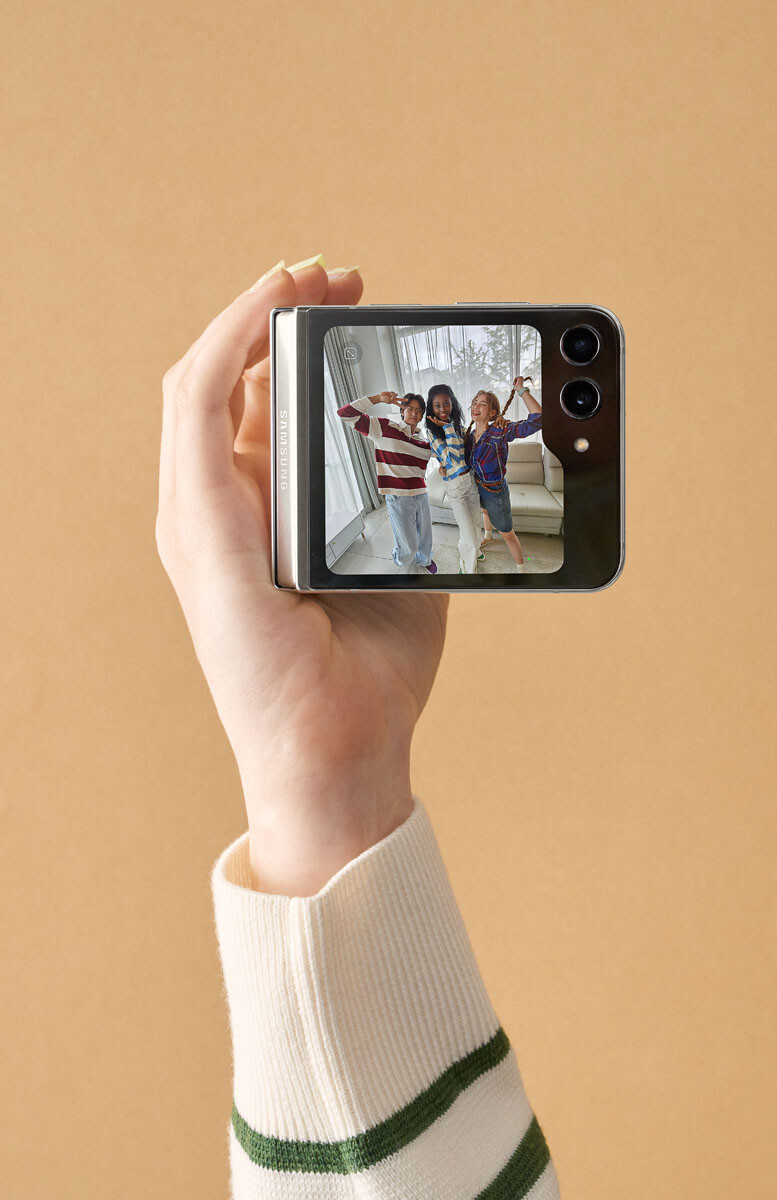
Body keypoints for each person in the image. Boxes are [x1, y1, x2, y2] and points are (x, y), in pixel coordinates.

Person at [155, 257, 561, 1199]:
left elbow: (504, 421)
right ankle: (473, 546)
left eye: (442, 405)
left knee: (465, 528)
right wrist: (316, 785)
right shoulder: (407, 424)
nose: (438, 408)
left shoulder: (462, 429)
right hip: (426, 500)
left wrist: (319, 788)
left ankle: (486, 545)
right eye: (433, 404)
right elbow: (365, 409)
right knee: (434, 534)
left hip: (449, 492)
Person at [337, 389, 437, 574]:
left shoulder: (424, 442)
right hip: (398, 496)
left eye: (418, 410)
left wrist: (445, 466)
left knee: (425, 536)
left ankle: (424, 559)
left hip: (421, 493)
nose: (414, 413)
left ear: (422, 415)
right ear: (402, 411)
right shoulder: (384, 428)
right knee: (407, 543)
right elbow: (345, 414)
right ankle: (401, 559)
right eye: (410, 409)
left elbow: (443, 457)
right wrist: (377, 399)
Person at [466, 377, 543, 572]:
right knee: (484, 511)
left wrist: (521, 389)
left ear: (492, 412)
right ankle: (488, 536)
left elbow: (538, 419)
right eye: (474, 402)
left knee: (507, 533)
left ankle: (521, 568)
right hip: (477, 486)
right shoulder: (469, 436)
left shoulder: (500, 431)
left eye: (482, 404)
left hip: (495, 491)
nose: (476, 406)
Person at [424, 382, 485, 574]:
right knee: (467, 532)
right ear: (431, 408)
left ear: (453, 403)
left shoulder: (459, 426)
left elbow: (469, 454)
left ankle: (476, 552)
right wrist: (448, 428)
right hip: (455, 486)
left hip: (471, 481)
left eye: (446, 403)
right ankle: (467, 570)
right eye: (437, 405)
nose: (442, 409)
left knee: (476, 525)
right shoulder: (432, 432)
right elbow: (454, 458)